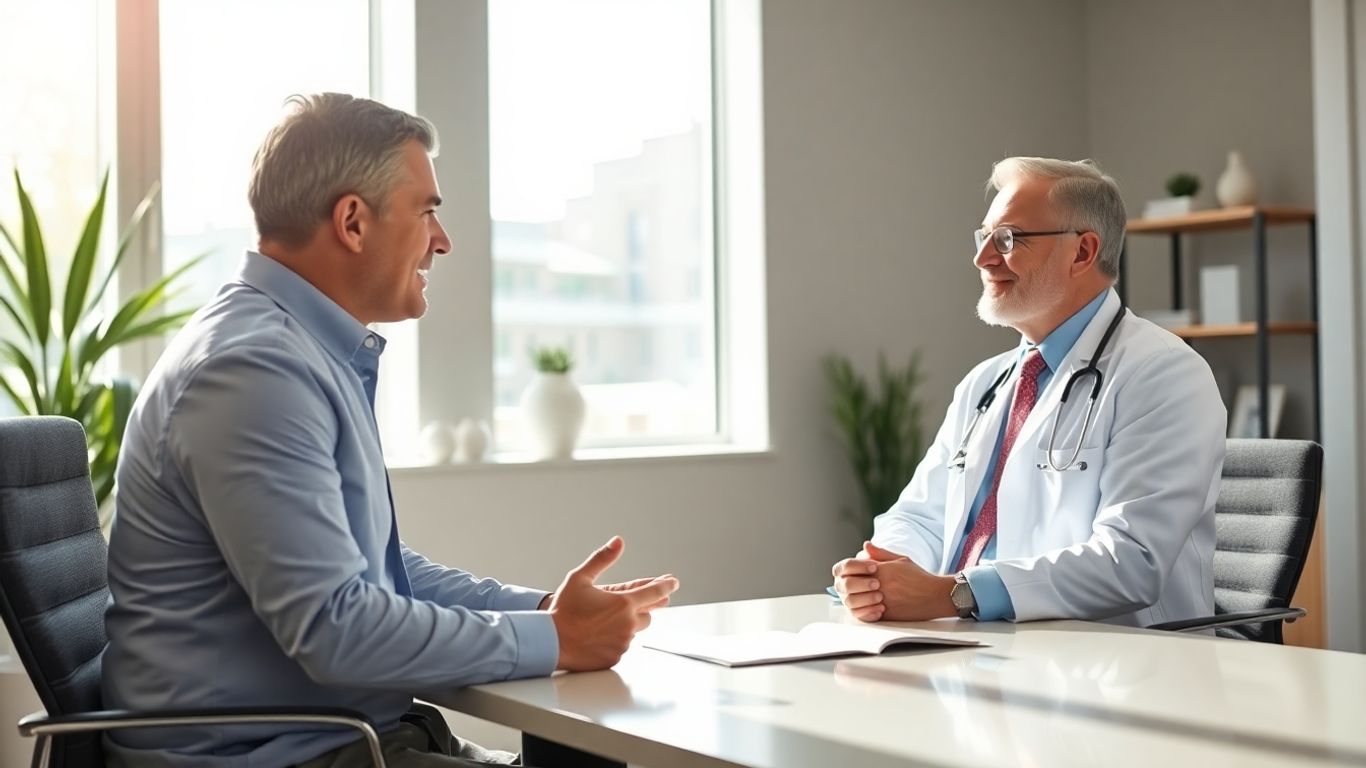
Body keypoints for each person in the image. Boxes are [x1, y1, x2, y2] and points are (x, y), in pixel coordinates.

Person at [102, 93, 679, 767]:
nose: (443, 239)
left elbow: (382, 574)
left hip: (348, 741)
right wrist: (554, 638)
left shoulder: (299, 354)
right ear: (352, 221)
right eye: (427, 211)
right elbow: (337, 629)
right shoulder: (253, 372)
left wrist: (551, 611)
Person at [831, 157, 1225, 627]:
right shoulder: (986, 382)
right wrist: (879, 575)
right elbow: (921, 515)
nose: (983, 259)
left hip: (1116, 664)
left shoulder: (1164, 374)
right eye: (984, 238)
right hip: (980, 647)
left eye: (1008, 239)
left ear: (1082, 252)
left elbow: (1132, 560)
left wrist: (955, 595)